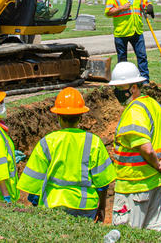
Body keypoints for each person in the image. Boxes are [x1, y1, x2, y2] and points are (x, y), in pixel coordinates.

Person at [17, 87, 116, 221]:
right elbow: (103, 183)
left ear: (58, 116)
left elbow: (34, 181)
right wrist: (102, 207)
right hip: (85, 206)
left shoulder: (47, 142)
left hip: (53, 204)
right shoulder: (93, 142)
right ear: (81, 117)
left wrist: (36, 204)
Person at [109, 62, 161, 232]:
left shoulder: (134, 112)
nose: (116, 92)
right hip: (155, 185)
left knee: (126, 235)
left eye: (119, 87)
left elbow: (145, 148)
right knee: (154, 235)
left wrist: (157, 165)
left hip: (134, 187)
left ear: (133, 88)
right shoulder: (153, 104)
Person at [105, 0, 154, 84]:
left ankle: (145, 81)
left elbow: (146, 4)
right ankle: (124, 83)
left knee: (142, 57)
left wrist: (150, 7)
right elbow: (108, 12)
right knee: (122, 61)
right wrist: (121, 8)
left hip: (137, 30)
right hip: (121, 32)